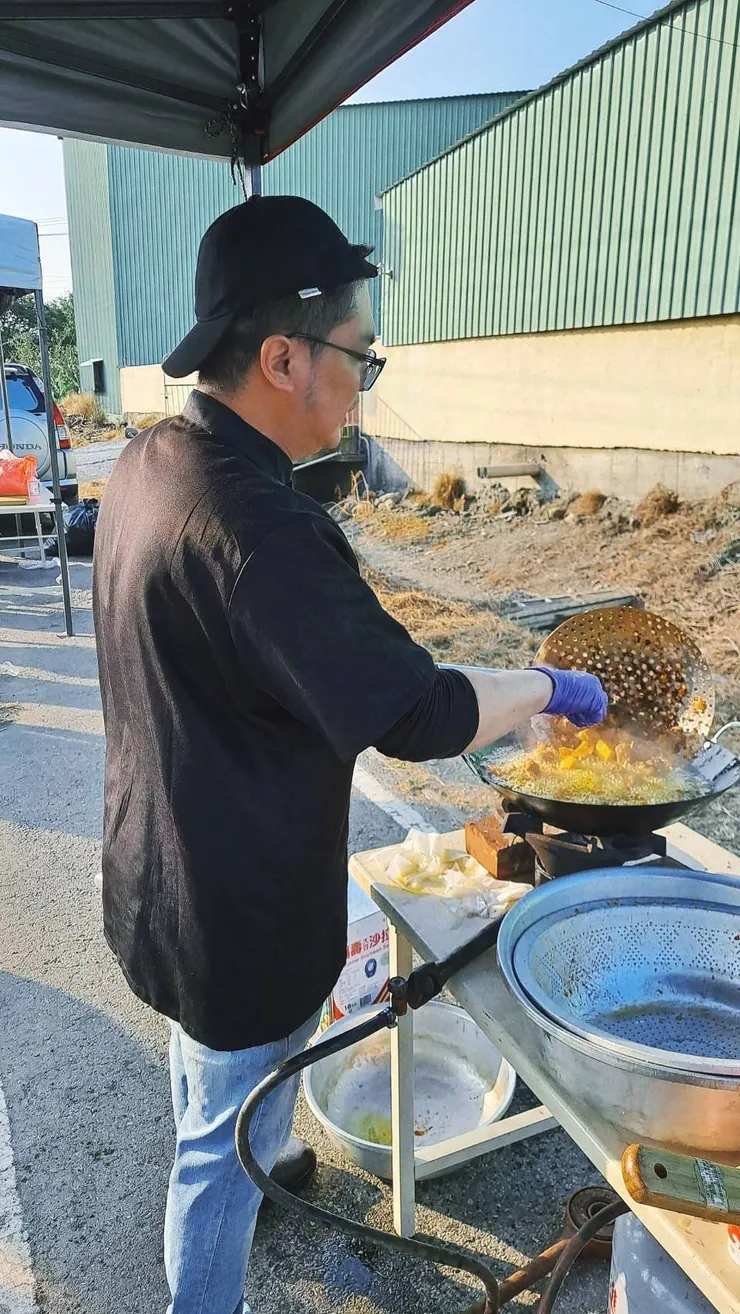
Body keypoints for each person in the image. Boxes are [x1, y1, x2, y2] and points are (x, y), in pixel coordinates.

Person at [92, 195, 607, 1314]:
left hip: (155, 870)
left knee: (214, 1090)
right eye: (358, 358)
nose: (362, 380)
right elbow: (414, 714)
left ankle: (263, 1155)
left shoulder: (147, 465)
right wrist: (544, 690)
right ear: (283, 357)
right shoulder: (258, 529)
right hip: (235, 910)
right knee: (210, 1160)